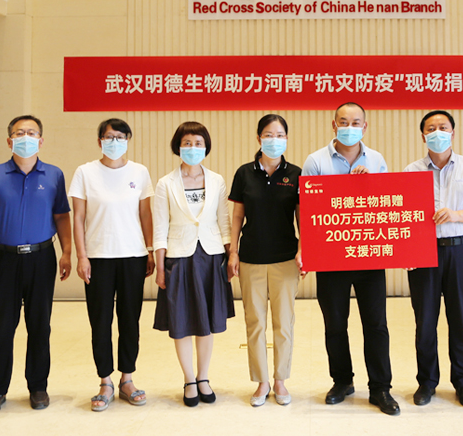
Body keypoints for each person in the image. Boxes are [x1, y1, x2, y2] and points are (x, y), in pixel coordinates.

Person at [302, 102, 399, 416]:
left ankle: (380, 387)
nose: (349, 127)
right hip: (331, 258)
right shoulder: (316, 161)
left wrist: (369, 183)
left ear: (365, 127)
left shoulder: (377, 160)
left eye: (356, 122)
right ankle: (342, 381)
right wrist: (307, 251)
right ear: (334, 125)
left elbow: (387, 206)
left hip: (369, 255)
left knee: (376, 324)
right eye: (343, 122)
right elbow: (308, 209)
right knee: (335, 324)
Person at [0, 115, 72, 415]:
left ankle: (38, 387)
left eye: (31, 132)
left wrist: (67, 252)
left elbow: (62, 216)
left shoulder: (54, 175)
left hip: (42, 258)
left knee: (40, 325)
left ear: (41, 140)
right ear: (9, 140)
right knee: (2, 326)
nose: (25, 137)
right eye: (19, 133)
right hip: (3, 260)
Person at [403, 110, 463, 408]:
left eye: (443, 127)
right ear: (423, 136)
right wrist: (406, 250)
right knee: (425, 321)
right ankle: (427, 382)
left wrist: (456, 215)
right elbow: (402, 215)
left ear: (453, 132)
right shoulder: (411, 170)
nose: (437, 132)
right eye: (431, 128)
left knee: (461, 320)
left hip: (461, 250)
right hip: (424, 252)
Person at [69, 118, 155, 411]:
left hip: (133, 256)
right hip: (97, 258)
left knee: (130, 320)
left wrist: (150, 250)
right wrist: (81, 256)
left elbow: (145, 214)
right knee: (100, 320)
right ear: (99, 141)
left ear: (128, 140)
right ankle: (105, 381)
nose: (114, 142)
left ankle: (127, 379)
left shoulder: (139, 172)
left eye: (120, 137)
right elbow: (78, 217)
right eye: (109, 137)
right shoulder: (85, 172)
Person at [152, 121, 234, 407]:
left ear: (206, 147)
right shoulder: (165, 183)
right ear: (178, 146)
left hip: (211, 256)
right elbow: (160, 228)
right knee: (182, 320)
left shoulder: (217, 180)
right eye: (187, 143)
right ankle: (188, 379)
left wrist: (231, 255)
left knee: (207, 321)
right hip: (179, 257)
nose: (193, 148)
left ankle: (203, 377)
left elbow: (224, 221)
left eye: (198, 143)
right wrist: (160, 267)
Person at [227, 114, 302, 407]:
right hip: (251, 258)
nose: (274, 140)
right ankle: (262, 381)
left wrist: (304, 250)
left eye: (280, 135)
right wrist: (233, 251)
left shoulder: (295, 174)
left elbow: (302, 218)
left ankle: (281, 379)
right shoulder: (244, 173)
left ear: (287, 138)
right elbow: (237, 215)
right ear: (258, 138)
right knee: (255, 322)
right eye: (268, 135)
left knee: (283, 323)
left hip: (286, 259)